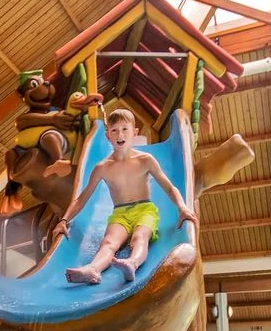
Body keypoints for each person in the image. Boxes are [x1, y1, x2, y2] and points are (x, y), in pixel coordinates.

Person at [53, 109, 198, 284]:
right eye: (114, 130)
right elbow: (81, 199)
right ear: (108, 136)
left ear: (134, 133)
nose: (119, 134)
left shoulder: (146, 160)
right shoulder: (102, 167)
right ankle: (93, 269)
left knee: (140, 237)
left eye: (124, 129)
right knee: (108, 242)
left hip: (145, 210)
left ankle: (132, 263)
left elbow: (169, 188)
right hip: (119, 214)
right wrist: (63, 220)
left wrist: (182, 208)